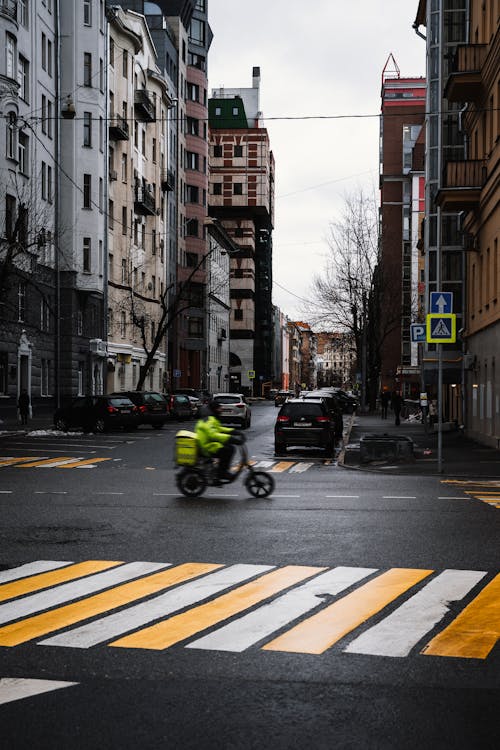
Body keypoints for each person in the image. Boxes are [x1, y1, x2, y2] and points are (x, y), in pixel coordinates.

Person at [195, 399, 236, 483]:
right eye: (219, 408)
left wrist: (232, 431)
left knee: (229, 448)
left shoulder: (211, 418)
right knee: (228, 450)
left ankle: (219, 472)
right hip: (206, 447)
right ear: (214, 409)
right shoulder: (208, 420)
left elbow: (219, 428)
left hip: (209, 444)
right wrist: (229, 438)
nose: (221, 410)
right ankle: (222, 473)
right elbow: (213, 434)